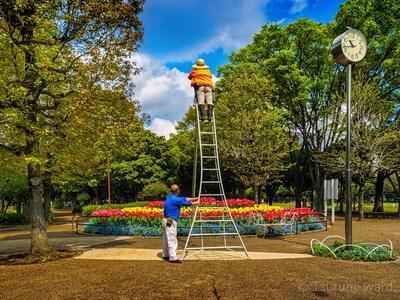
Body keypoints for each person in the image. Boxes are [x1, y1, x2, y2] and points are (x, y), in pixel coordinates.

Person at [162, 184, 200, 263]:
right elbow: (185, 203)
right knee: (172, 239)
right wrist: (196, 202)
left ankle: (166, 255)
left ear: (170, 191)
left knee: (166, 239)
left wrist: (194, 198)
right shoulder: (175, 200)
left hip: (165, 220)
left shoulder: (169, 197)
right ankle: (173, 258)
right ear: (178, 191)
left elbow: (183, 199)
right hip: (171, 221)